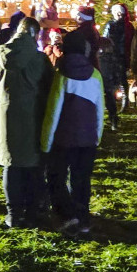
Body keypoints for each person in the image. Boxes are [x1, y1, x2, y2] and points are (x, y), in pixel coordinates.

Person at [0, 17, 54, 227]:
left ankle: (13, 214)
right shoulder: (40, 60)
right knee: (33, 169)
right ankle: (32, 212)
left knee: (11, 166)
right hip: (34, 119)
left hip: (7, 118)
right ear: (35, 34)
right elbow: (50, 87)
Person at [41, 31, 105, 236]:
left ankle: (66, 215)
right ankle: (83, 217)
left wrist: (46, 141)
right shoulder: (95, 75)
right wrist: (97, 136)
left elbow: (53, 110)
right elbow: (99, 110)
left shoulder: (61, 74)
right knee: (81, 179)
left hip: (63, 139)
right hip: (87, 140)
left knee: (56, 177)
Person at [102, 4, 135, 109]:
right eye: (115, 11)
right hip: (110, 54)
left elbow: (131, 41)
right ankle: (111, 100)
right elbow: (104, 38)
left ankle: (125, 101)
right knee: (110, 78)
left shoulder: (128, 26)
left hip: (121, 54)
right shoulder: (109, 24)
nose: (117, 14)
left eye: (119, 11)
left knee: (122, 78)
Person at [97, 37, 119, 130]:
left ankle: (112, 120)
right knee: (110, 101)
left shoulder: (99, 58)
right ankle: (113, 120)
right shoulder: (112, 58)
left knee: (107, 101)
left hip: (102, 81)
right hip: (107, 81)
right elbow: (116, 70)